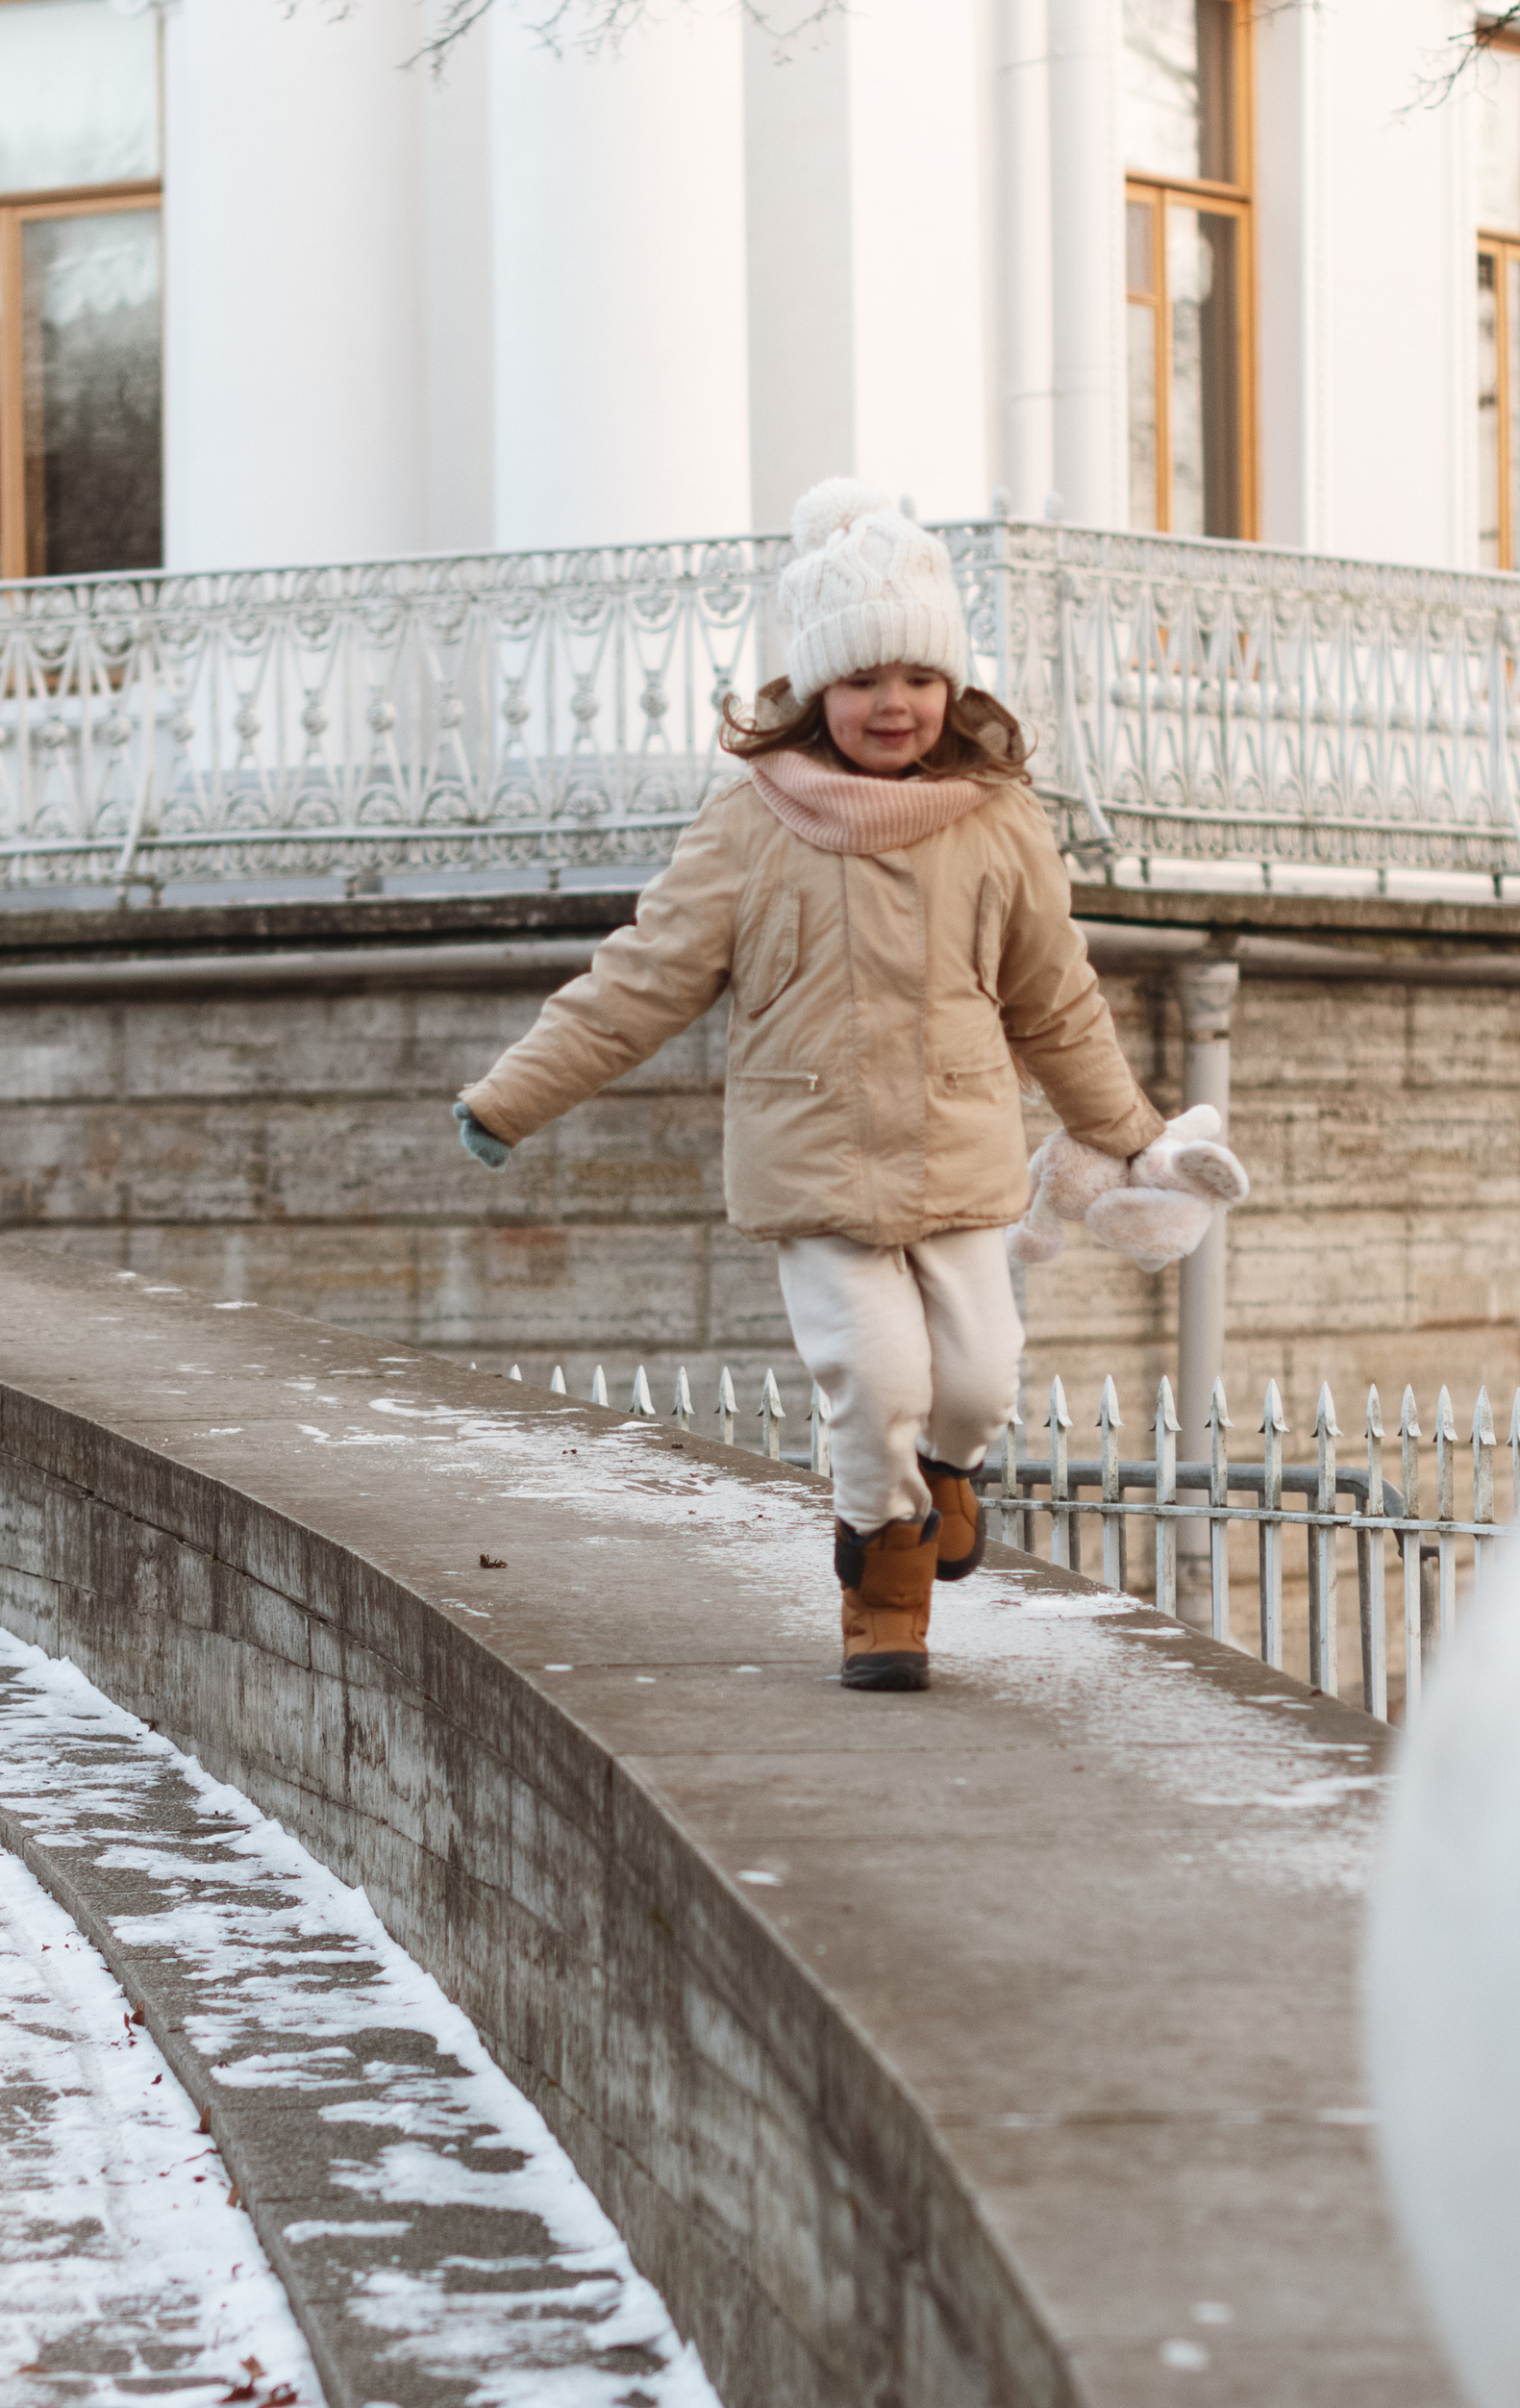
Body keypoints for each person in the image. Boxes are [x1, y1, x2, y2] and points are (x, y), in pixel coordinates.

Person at [454, 477, 1232, 1693]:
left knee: (971, 1386)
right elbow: (642, 978)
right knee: (878, 1385)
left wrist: (1122, 1132)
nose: (893, 704)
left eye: (918, 678)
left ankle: (946, 1482)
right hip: (812, 1167)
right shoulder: (749, 821)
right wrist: (510, 1094)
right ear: (818, 686)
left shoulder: (996, 820)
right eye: (864, 679)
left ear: (952, 687)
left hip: (963, 1161)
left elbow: (1054, 995)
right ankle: (884, 1586)